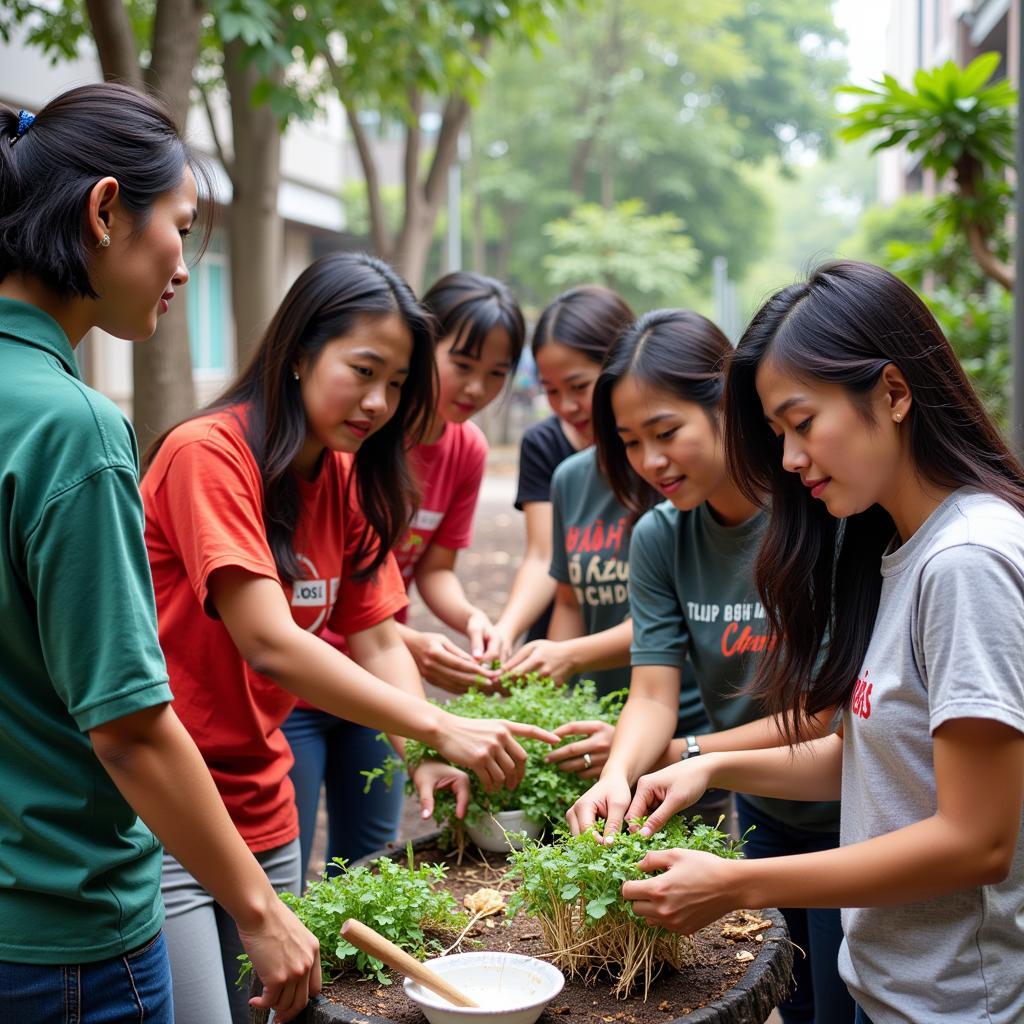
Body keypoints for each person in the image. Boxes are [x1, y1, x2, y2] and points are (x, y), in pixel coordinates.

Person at [141, 252, 558, 1024]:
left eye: (397, 383)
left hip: (261, 805)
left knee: (280, 1012)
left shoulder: (344, 475)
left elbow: (375, 637)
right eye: (363, 370)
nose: (378, 401)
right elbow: (267, 639)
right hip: (169, 809)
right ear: (300, 350)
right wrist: (441, 723)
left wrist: (421, 751)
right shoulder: (210, 454)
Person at [618, 263, 1024, 1024]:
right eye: (777, 435)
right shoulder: (898, 551)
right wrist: (707, 765)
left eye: (802, 424)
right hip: (894, 987)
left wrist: (739, 884)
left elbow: (977, 842)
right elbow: (885, 762)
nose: (791, 459)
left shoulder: (966, 560)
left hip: (962, 1006)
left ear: (894, 393)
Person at [0, 84, 319, 1023]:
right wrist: (259, 910)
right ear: (106, 211)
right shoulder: (74, 430)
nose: (186, 263)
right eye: (180, 225)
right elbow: (130, 727)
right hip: (68, 934)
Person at [567, 309, 852, 1024]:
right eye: (631, 443)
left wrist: (692, 753)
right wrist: (616, 774)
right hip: (762, 807)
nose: (650, 461)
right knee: (790, 997)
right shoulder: (661, 536)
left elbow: (822, 714)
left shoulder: (818, 511)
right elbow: (652, 692)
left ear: (727, 404)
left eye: (666, 433)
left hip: (853, 810)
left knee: (843, 1007)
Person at [283, 270, 527, 876]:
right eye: (463, 363)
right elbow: (283, 615)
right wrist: (409, 648)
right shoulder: (351, 433)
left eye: (497, 373)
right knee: (282, 863)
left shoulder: (461, 449)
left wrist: (471, 618)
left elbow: (432, 570)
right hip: (302, 675)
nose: (476, 387)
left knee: (370, 854)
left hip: (380, 672)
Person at [491, 285, 634, 651]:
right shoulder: (546, 446)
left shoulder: (656, 455)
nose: (566, 406)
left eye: (578, 386)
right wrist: (504, 632)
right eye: (551, 391)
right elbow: (544, 555)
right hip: (563, 625)